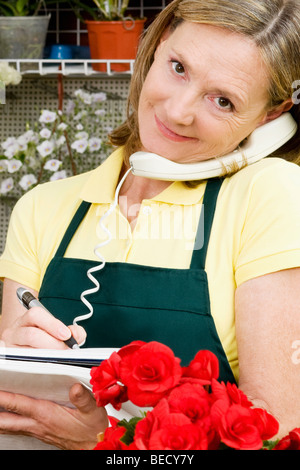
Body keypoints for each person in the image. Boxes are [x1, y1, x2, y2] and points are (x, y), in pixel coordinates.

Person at [0, 0, 300, 449]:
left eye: (223, 101)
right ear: (156, 46)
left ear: (271, 116)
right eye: (178, 67)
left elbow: (279, 436)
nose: (178, 111)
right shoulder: (43, 207)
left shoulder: (270, 195)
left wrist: (104, 442)